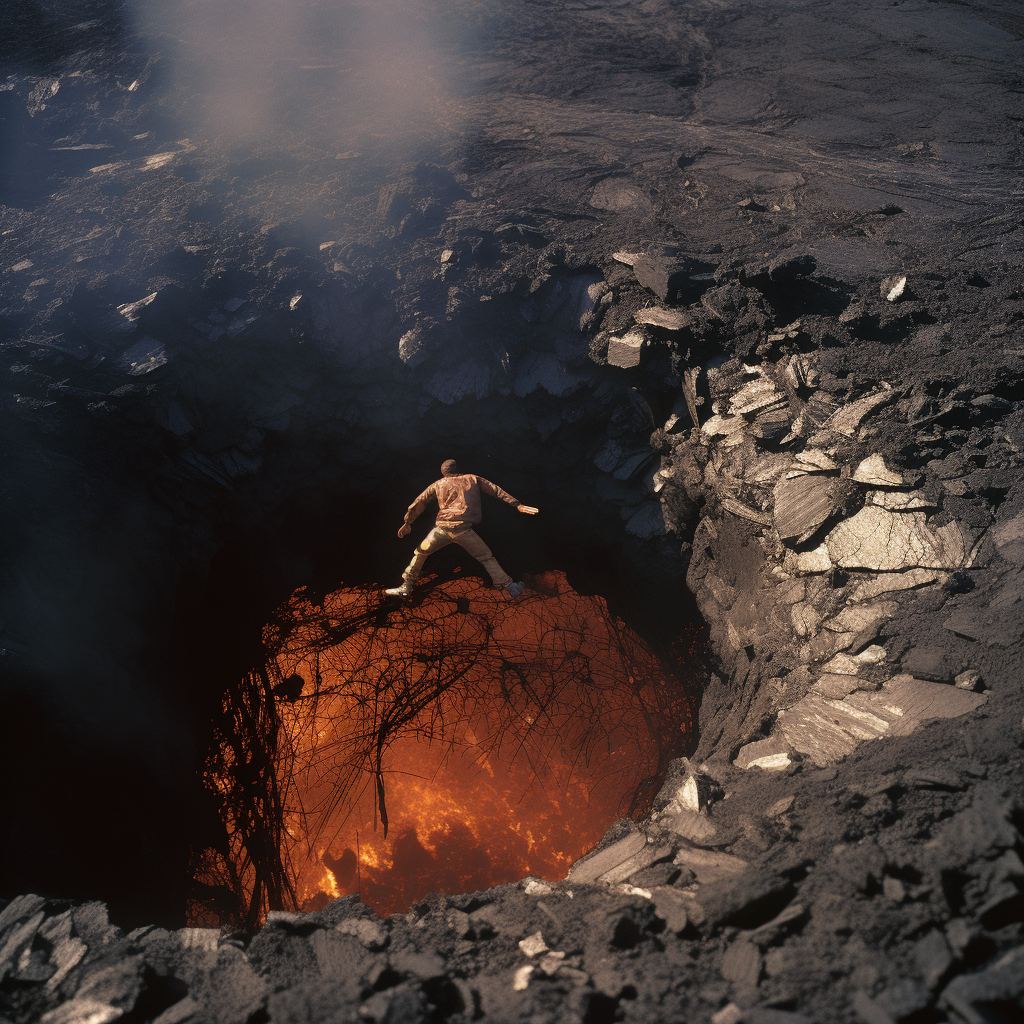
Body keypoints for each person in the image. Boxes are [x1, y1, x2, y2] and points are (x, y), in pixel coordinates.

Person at [385, 459, 538, 599]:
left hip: (441, 530)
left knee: (420, 553)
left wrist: (407, 522)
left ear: (444, 473)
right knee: (486, 557)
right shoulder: (473, 478)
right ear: (458, 469)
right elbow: (495, 490)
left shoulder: (438, 484)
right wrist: (517, 504)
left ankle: (406, 586)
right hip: (463, 531)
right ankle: (509, 586)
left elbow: (419, 502)